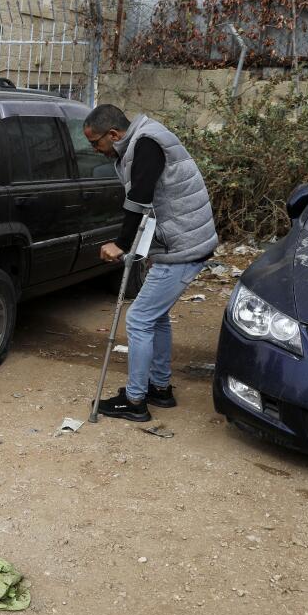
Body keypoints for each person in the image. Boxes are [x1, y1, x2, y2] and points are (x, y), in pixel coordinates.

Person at [83, 104, 218, 422]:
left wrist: (121, 244)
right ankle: (159, 388)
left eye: (95, 143)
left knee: (139, 319)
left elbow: (139, 198)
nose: (95, 149)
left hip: (183, 246)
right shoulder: (140, 141)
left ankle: (135, 400)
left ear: (113, 134)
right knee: (155, 318)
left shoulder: (146, 143)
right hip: (181, 241)